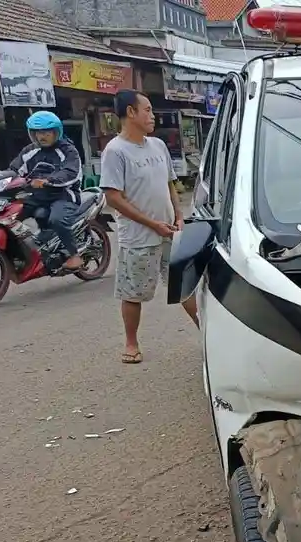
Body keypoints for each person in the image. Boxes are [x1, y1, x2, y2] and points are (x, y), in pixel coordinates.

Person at [100, 89, 196, 365]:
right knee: (133, 292)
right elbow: (114, 198)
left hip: (170, 232)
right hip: (139, 237)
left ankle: (207, 334)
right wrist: (152, 223)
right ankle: (131, 343)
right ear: (130, 112)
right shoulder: (115, 151)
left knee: (184, 286)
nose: (152, 116)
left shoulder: (158, 146)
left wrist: (178, 216)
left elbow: (169, 185)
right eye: (148, 110)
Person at [9, 111, 84, 271]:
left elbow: (70, 172)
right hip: (37, 196)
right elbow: (14, 170)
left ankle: (74, 255)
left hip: (63, 195)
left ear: (56, 132)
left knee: (57, 219)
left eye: (46, 132)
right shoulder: (30, 150)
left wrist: (48, 181)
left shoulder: (68, 150)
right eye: (37, 132)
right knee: (10, 215)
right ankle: (19, 254)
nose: (41, 136)